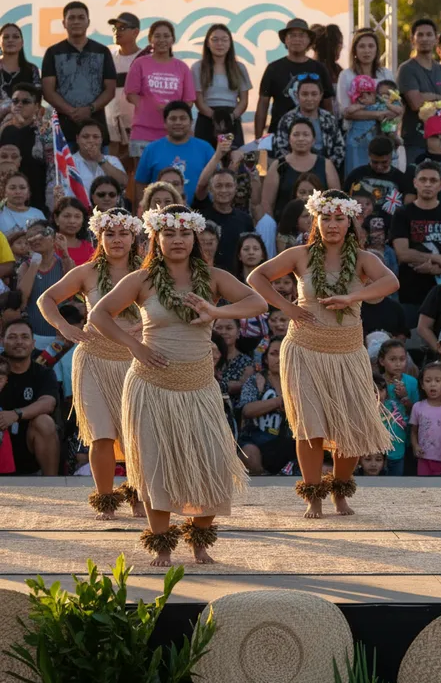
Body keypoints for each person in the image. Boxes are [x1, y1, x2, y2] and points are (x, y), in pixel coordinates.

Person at [89, 205, 267, 566]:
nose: (177, 240)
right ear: (155, 237)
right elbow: (98, 315)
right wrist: (135, 345)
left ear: (195, 237)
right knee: (157, 466)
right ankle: (162, 544)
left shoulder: (213, 277)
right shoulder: (141, 280)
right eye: (169, 234)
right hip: (150, 385)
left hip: (199, 386)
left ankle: (200, 540)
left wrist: (217, 312)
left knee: (213, 464)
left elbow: (257, 301)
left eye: (184, 234)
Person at [247, 189, 398, 514]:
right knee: (310, 426)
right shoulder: (300, 254)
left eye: (339, 218)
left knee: (352, 426)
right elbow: (256, 276)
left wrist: (350, 298)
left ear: (350, 221)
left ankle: (340, 491)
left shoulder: (362, 258)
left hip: (347, 352)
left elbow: (391, 283)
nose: (332, 224)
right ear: (316, 220)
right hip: (305, 349)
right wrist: (288, 307)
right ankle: (313, 493)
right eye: (325, 218)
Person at [37, 208, 144, 518]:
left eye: (123, 233)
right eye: (109, 233)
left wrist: (145, 329)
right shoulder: (87, 272)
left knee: (135, 433)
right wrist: (64, 327)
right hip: (94, 359)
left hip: (134, 360)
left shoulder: (148, 273)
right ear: (99, 236)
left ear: (133, 236)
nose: (117, 239)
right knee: (101, 434)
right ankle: (106, 500)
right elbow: (47, 299)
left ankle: (137, 496)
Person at [390, 160, 441, 328]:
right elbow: (403, 254)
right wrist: (439, 259)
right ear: (415, 183)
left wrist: (437, 266)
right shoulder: (402, 214)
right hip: (410, 292)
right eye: (423, 180)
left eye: (433, 180)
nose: (428, 184)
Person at [41, 1, 116, 147]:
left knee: (98, 170)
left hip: (96, 131)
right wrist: (71, 112)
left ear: (88, 22)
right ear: (64, 23)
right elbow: (48, 92)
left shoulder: (102, 51)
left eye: (81, 18)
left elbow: (110, 89)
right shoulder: (53, 52)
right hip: (63, 132)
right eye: (71, 18)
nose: (76, 22)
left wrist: (90, 109)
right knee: (66, 171)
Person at [126, 20, 195, 161]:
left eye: (166, 36)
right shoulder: (140, 63)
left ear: (173, 39)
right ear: (150, 39)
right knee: (143, 179)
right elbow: (131, 94)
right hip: (143, 132)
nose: (162, 40)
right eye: (157, 36)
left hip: (174, 133)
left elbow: (188, 101)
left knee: (173, 177)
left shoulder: (182, 67)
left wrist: (171, 111)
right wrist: (148, 107)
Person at [254, 19, 334, 137]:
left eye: (301, 35)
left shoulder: (319, 68)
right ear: (285, 40)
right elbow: (262, 105)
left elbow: (328, 105)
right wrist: (258, 139)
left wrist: (329, 135)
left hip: (312, 136)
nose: (297, 39)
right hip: (280, 134)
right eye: (292, 35)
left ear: (309, 41)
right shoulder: (273, 68)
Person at [397, 18, 441, 163]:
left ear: (436, 39)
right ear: (412, 40)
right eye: (420, 35)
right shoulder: (407, 69)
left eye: (429, 34)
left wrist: (430, 96)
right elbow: (416, 103)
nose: (424, 39)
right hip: (415, 142)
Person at [0, 319, 60, 475]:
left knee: (44, 422)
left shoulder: (43, 373)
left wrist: (16, 414)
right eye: (12, 337)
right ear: (2, 341)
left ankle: (52, 486)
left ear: (33, 343)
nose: (19, 342)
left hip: (29, 446)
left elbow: (48, 403)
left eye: (24, 337)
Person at [134, 101, 215, 206]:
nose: (178, 122)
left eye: (183, 118)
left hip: (199, 213)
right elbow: (141, 183)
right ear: (165, 123)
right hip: (160, 216)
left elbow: (216, 180)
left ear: (191, 122)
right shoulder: (151, 149)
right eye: (173, 119)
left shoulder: (205, 148)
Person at [262, 117, 340, 222]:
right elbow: (267, 203)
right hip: (285, 228)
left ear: (313, 140)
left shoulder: (326, 164)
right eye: (296, 134)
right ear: (289, 139)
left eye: (306, 135)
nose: (301, 139)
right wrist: (274, 229)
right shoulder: (278, 165)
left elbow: (336, 200)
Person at [237, 338, 295, 476]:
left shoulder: (299, 382)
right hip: (256, 439)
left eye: (284, 352)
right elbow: (247, 410)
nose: (280, 358)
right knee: (249, 455)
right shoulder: (256, 381)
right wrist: (279, 401)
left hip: (289, 441)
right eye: (274, 353)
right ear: (266, 359)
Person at [192, 24, 251, 149]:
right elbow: (198, 100)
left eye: (224, 40)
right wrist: (215, 117)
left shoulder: (239, 68)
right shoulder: (198, 67)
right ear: (207, 43)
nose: (220, 44)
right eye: (215, 39)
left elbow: (244, 101)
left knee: (231, 159)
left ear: (230, 43)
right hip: (207, 119)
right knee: (206, 160)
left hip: (231, 119)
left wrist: (231, 117)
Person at [18, 219, 74, 347]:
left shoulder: (63, 263)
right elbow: (21, 301)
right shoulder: (25, 267)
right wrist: (35, 263)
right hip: (33, 336)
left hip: (60, 335)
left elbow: (70, 295)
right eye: (31, 236)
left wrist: (65, 254)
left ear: (53, 239)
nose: (35, 238)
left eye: (41, 233)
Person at [274, 75, 345, 172]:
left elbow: (339, 146)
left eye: (314, 94)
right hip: (295, 170)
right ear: (297, 95)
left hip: (325, 169)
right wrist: (297, 167)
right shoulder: (287, 119)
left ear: (321, 95)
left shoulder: (329, 118)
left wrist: (327, 167)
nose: (309, 98)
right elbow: (280, 149)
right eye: (305, 94)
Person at [0, 83, 50, 212]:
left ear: (37, 107)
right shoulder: (4, 130)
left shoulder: (45, 132)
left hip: (36, 201)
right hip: (5, 203)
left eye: (25, 102)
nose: (19, 105)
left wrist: (23, 126)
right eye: (15, 101)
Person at [192, 169, 254, 272]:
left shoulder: (245, 219)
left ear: (235, 188)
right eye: (219, 186)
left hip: (237, 280)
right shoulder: (200, 218)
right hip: (207, 276)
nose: (224, 190)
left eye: (228, 185)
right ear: (211, 189)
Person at [344, 135, 415, 215]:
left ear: (391, 156)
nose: (379, 166)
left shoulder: (401, 178)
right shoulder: (356, 175)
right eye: (375, 162)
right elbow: (343, 200)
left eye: (384, 162)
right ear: (369, 156)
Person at [105, 13, 141, 166]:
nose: (117, 32)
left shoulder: (144, 58)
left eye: (122, 28)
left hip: (136, 126)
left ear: (135, 32)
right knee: (113, 168)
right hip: (110, 124)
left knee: (135, 170)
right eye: (115, 28)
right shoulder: (107, 56)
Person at [65, 120, 128, 205]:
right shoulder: (68, 162)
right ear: (77, 139)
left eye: (95, 137)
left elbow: (123, 182)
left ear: (101, 140)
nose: (91, 140)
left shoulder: (113, 160)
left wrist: (99, 159)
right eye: (85, 137)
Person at [337, 29, 394, 120]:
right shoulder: (346, 75)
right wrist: (377, 114)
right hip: (355, 131)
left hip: (384, 130)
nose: (367, 50)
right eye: (361, 46)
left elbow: (395, 103)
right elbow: (345, 112)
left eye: (371, 46)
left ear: (377, 50)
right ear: (354, 50)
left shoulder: (386, 74)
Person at [0, 23, 41, 112]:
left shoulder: (32, 70)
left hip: (25, 121)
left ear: (22, 42)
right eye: (6, 37)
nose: (10, 40)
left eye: (15, 37)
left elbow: (36, 100)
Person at [212, 317, 254, 399]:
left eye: (229, 328)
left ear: (238, 333)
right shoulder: (204, 357)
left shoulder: (247, 362)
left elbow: (245, 385)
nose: (223, 332)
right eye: (218, 328)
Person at [53, 197, 93, 265]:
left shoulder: (88, 248)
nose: (72, 221)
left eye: (77, 217)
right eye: (67, 216)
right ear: (56, 219)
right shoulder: (48, 246)